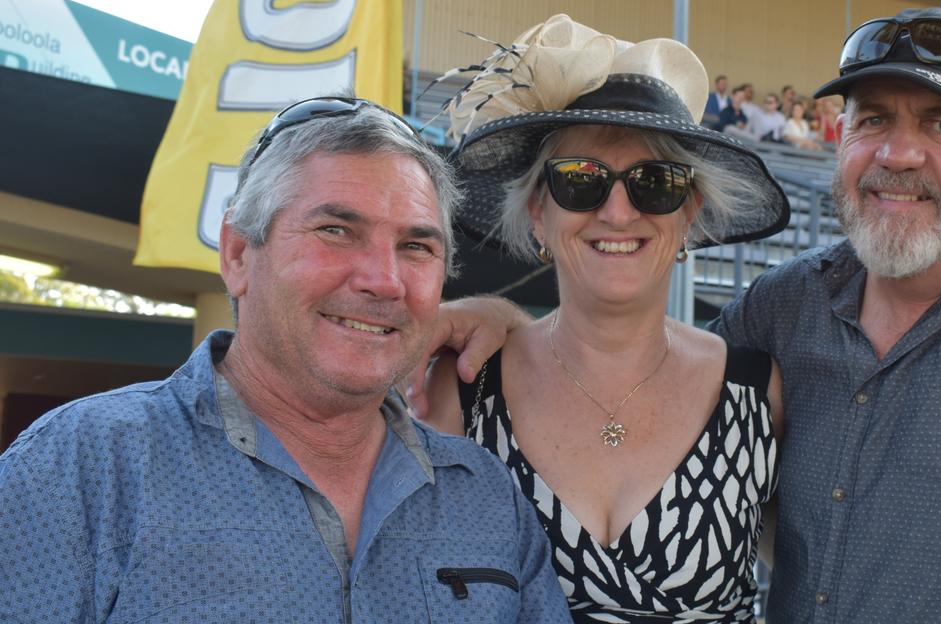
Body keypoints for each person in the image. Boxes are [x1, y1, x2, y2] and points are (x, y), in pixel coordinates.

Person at [433, 7, 941, 623]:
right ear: (840, 141)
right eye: (872, 121)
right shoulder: (786, 307)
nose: (898, 154)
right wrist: (500, 318)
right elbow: (636, 374)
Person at [0, 97, 570, 622]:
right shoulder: (81, 467)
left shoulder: (485, 497)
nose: (385, 281)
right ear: (240, 254)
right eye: (336, 231)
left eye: (416, 246)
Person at [413, 14, 790, 622]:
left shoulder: (757, 392)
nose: (618, 211)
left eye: (655, 182)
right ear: (539, 212)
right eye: (581, 180)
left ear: (688, 213)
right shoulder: (461, 389)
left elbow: (822, 570)